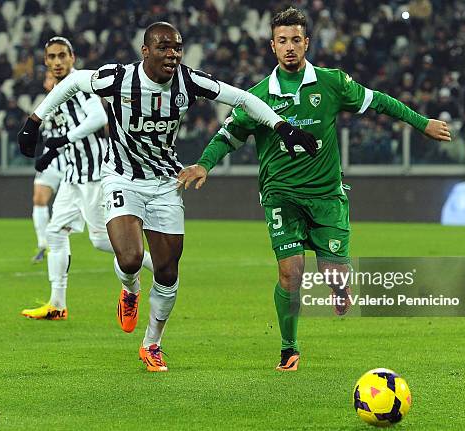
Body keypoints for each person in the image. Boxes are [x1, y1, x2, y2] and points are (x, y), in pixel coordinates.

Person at [17, 22, 317, 372]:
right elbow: (71, 82)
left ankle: (152, 344)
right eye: (163, 47)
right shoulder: (117, 78)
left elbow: (244, 98)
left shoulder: (189, 80)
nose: (172, 54)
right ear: (146, 51)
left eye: (177, 47)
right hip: (122, 178)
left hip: (165, 183)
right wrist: (34, 121)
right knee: (130, 258)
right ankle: (130, 289)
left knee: (168, 271)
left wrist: (283, 127)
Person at [178, 8, 451, 371]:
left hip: (326, 197)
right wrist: (204, 164)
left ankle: (340, 288)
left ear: (306, 42)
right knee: (291, 273)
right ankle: (288, 347)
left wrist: (421, 123)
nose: (289, 47)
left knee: (334, 276)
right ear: (271, 45)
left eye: (295, 40)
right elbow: (230, 134)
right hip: (281, 195)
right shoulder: (258, 96)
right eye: (282, 41)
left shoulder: (332, 82)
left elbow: (378, 101)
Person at [21, 37, 153, 320]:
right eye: (52, 57)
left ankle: (159, 265)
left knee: (100, 240)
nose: (57, 62)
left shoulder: (81, 86)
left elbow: (97, 117)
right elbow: (59, 136)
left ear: (72, 57)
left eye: (62, 56)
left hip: (94, 175)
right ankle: (57, 303)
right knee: (55, 233)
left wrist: (62, 140)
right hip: (72, 176)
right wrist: (52, 153)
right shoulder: (56, 93)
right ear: (46, 61)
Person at [31, 71, 64, 263]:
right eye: (46, 78)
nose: (47, 81)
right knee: (39, 199)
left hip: (72, 159)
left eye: (50, 78)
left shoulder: (71, 98)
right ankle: (43, 243)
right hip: (50, 158)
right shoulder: (45, 103)